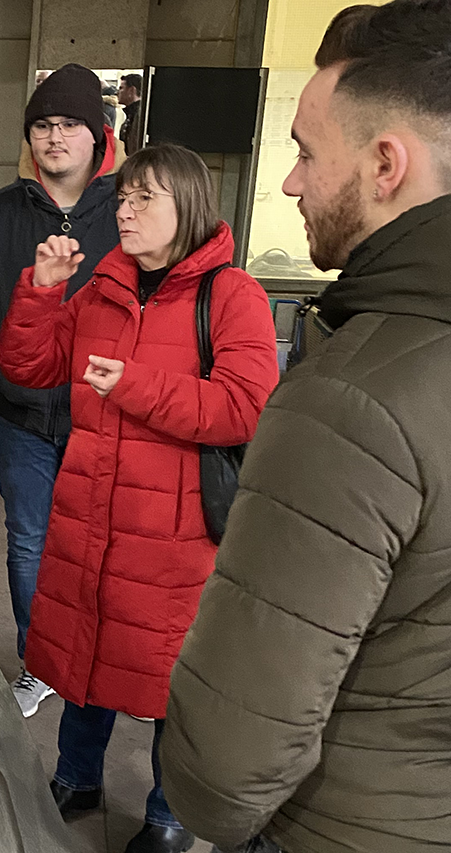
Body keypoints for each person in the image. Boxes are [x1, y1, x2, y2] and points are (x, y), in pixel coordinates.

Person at [160, 3, 451, 851]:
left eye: (305, 152)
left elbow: (224, 769)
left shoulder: (352, 399)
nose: (290, 182)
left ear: (385, 165)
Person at [0, 144, 280, 853]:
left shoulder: (231, 293)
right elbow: (28, 364)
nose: (124, 210)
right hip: (91, 512)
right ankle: (77, 775)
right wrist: (42, 288)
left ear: (186, 205)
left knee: (168, 682)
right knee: (86, 655)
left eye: (143, 198)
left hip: (175, 535)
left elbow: (245, 407)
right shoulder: (103, 287)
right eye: (122, 197)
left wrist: (133, 386)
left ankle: (169, 814)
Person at [0, 63, 120, 719]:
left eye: (69, 124)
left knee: (101, 543)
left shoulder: (125, 212)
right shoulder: (2, 212)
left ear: (95, 135)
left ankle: (99, 658)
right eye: (43, 125)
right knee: (29, 540)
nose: (55, 137)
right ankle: (39, 662)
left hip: (101, 416)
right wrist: (1, 364)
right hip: (20, 417)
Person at [119, 73, 143, 156]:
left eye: (121, 88)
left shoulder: (139, 116)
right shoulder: (132, 114)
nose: (117, 92)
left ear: (131, 90)